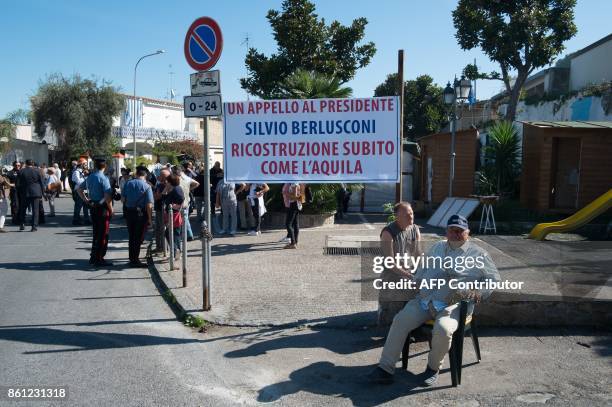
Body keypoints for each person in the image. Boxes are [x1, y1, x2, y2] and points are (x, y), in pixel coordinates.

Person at [369, 214, 500, 387]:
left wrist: (478, 292)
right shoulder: (437, 247)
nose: (455, 233)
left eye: (460, 230)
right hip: (425, 299)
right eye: (452, 229)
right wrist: (412, 281)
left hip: (454, 304)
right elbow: (422, 271)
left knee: (443, 329)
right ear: (446, 232)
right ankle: (385, 369)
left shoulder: (479, 254)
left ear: (467, 232)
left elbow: (494, 279)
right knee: (400, 321)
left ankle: (432, 368)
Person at [378, 202, 423, 325]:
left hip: (410, 270)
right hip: (393, 274)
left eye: (412, 213)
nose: (411, 217)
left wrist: (424, 271)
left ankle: (417, 322)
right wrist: (410, 277)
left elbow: (418, 254)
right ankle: (389, 317)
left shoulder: (415, 229)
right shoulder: (388, 233)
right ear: (397, 217)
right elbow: (390, 263)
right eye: (406, 215)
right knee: (403, 285)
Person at [77, 158, 114, 267]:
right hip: (102, 207)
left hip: (93, 205)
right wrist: (111, 210)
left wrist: (86, 200)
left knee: (96, 232)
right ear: (105, 166)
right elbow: (107, 197)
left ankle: (94, 256)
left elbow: (79, 189)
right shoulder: (104, 178)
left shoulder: (90, 177)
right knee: (103, 234)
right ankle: (99, 258)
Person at [122, 166, 154, 267]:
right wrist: (150, 219)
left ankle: (132, 259)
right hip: (141, 214)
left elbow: (123, 199)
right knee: (138, 237)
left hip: (129, 213)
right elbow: (149, 205)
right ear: (145, 175)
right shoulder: (147, 186)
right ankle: (135, 260)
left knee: (131, 236)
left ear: (137, 174)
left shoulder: (128, 183)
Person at [17, 159, 45, 232]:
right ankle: (34, 226)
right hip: (35, 193)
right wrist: (43, 193)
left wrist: (19, 192)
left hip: (24, 193)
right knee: (35, 210)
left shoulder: (21, 171)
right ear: (32, 164)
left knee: (23, 209)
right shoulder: (37, 171)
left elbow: (17, 184)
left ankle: (22, 223)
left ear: (26, 164)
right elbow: (42, 183)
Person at [162, 174, 185, 261]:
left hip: (174, 214)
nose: (166, 182)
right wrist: (166, 188)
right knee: (175, 234)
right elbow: (163, 197)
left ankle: (176, 251)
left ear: (171, 182)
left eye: (167, 181)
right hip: (172, 213)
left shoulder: (176, 189)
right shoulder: (173, 189)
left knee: (169, 233)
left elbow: (182, 199)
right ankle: (177, 252)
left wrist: (177, 206)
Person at [173, 166, 199, 241]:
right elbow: (197, 183)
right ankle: (188, 234)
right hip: (186, 201)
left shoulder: (177, 179)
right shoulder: (187, 178)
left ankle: (189, 235)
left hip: (178, 202)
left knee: (183, 219)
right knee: (185, 218)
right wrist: (189, 189)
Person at [281, 183, 304, 249]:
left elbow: (294, 197)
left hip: (294, 204)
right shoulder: (296, 183)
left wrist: (285, 193)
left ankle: (293, 243)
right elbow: (298, 195)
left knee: (288, 224)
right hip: (296, 205)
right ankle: (295, 242)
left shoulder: (294, 184)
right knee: (295, 223)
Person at [153, 168, 170, 253]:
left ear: (163, 177)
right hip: (160, 209)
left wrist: (157, 194)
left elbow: (156, 197)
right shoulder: (161, 185)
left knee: (162, 229)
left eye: (160, 175)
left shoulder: (163, 186)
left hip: (162, 209)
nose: (158, 176)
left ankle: (163, 248)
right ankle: (160, 247)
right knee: (159, 229)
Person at [71, 158, 90, 225]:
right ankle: (75, 220)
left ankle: (86, 220)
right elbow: (78, 182)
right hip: (79, 191)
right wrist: (84, 176)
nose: (86, 165)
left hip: (85, 191)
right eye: (85, 164)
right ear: (81, 164)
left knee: (86, 205)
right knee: (78, 206)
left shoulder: (84, 171)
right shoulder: (76, 172)